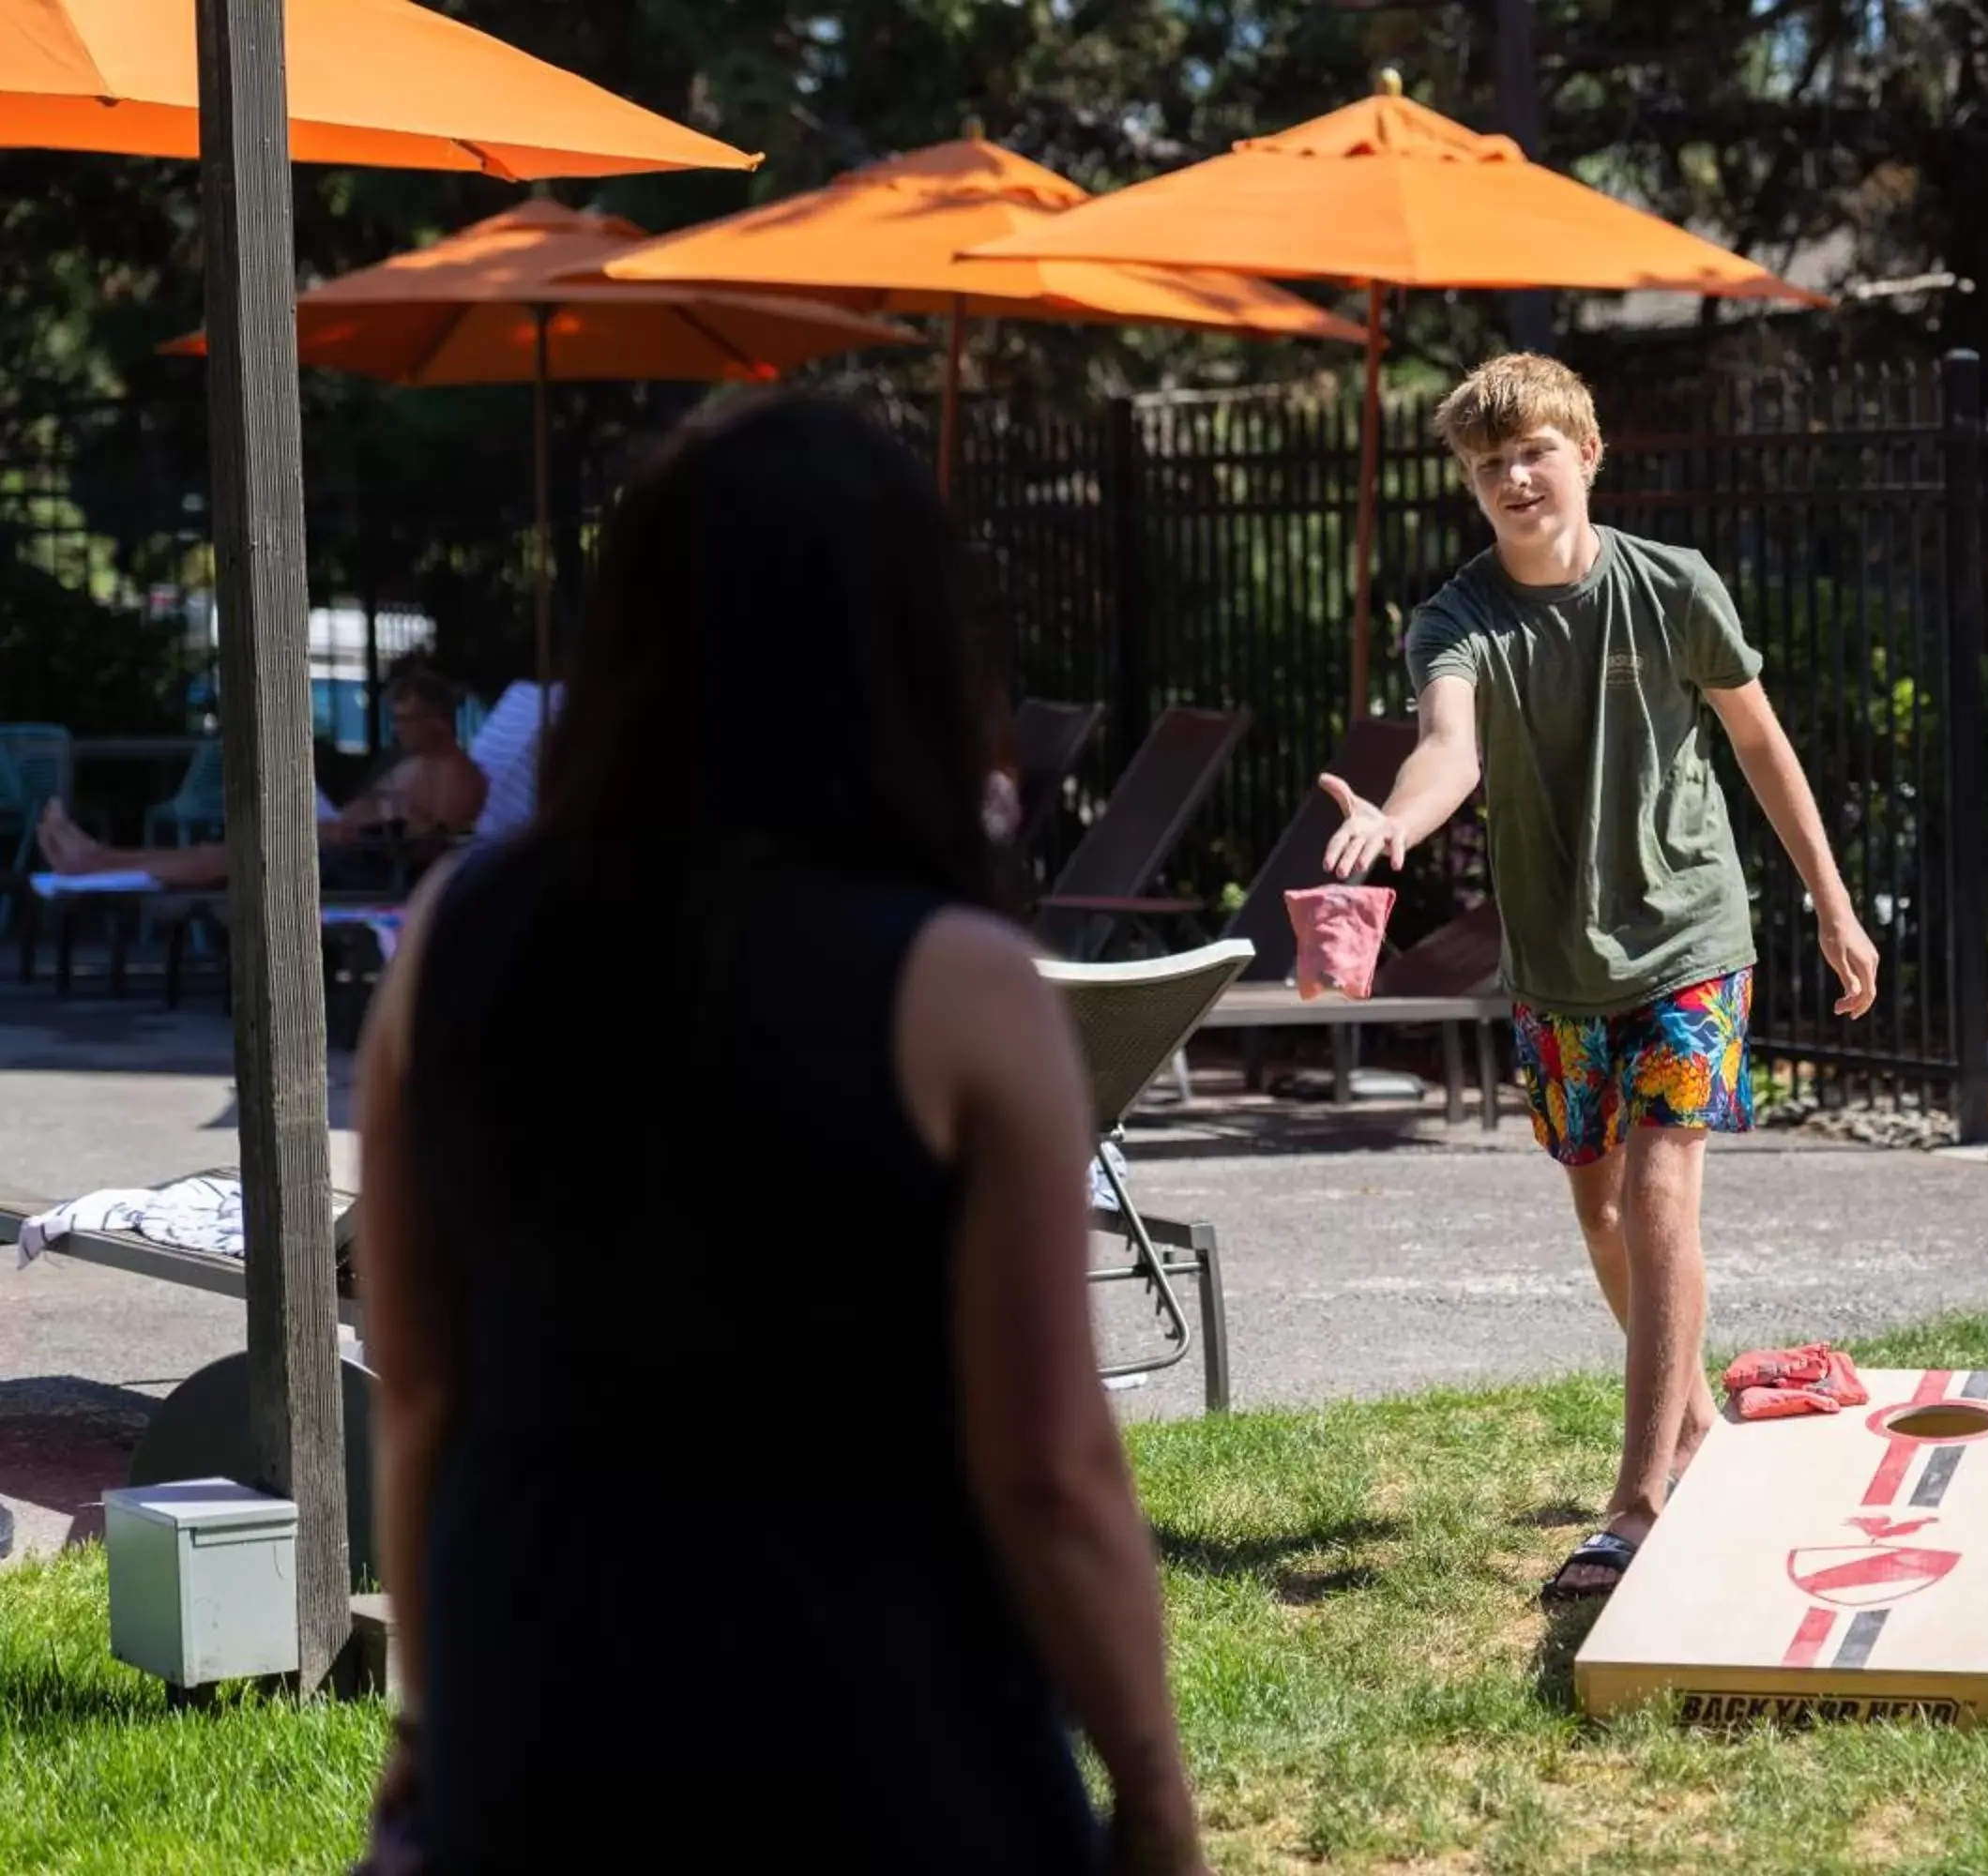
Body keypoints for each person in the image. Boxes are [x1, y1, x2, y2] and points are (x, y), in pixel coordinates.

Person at [347, 392, 1205, 1873]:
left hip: (542, 1720)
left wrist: (430, 1732)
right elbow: (1046, 1463)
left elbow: (420, 1396)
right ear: (913, 654)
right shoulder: (964, 990)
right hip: (880, 1733)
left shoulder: (451, 938)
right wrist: (1155, 1791)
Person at [1322, 353, 1880, 1607]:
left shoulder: (1671, 588)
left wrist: (1834, 905)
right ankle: (1690, 1424)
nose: (1516, 477)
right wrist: (1396, 826)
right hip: (1559, 959)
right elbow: (1447, 747)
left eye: (1535, 451)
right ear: (1473, 485)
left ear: (1586, 451)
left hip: (1689, 930)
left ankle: (1637, 1506)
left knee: (1658, 1186)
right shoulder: (1456, 620)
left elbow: (1759, 742)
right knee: (1599, 1208)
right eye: (1489, 463)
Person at [35, 669, 488, 891]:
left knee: (220, 858)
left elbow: (434, 852)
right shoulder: (412, 762)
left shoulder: (459, 775)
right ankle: (95, 860)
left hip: (362, 869)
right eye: (395, 719)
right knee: (219, 852)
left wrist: (394, 815)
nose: (398, 730)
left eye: (407, 721)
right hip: (335, 845)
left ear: (440, 722)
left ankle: (93, 862)